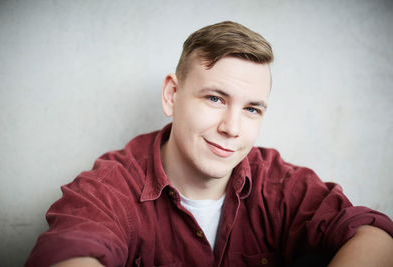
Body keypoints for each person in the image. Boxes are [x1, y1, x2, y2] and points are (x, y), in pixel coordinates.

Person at [26, 21, 393, 267]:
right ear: (172, 94)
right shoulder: (110, 188)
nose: (232, 128)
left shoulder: (278, 184)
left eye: (251, 109)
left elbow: (374, 235)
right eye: (215, 98)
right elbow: (71, 253)